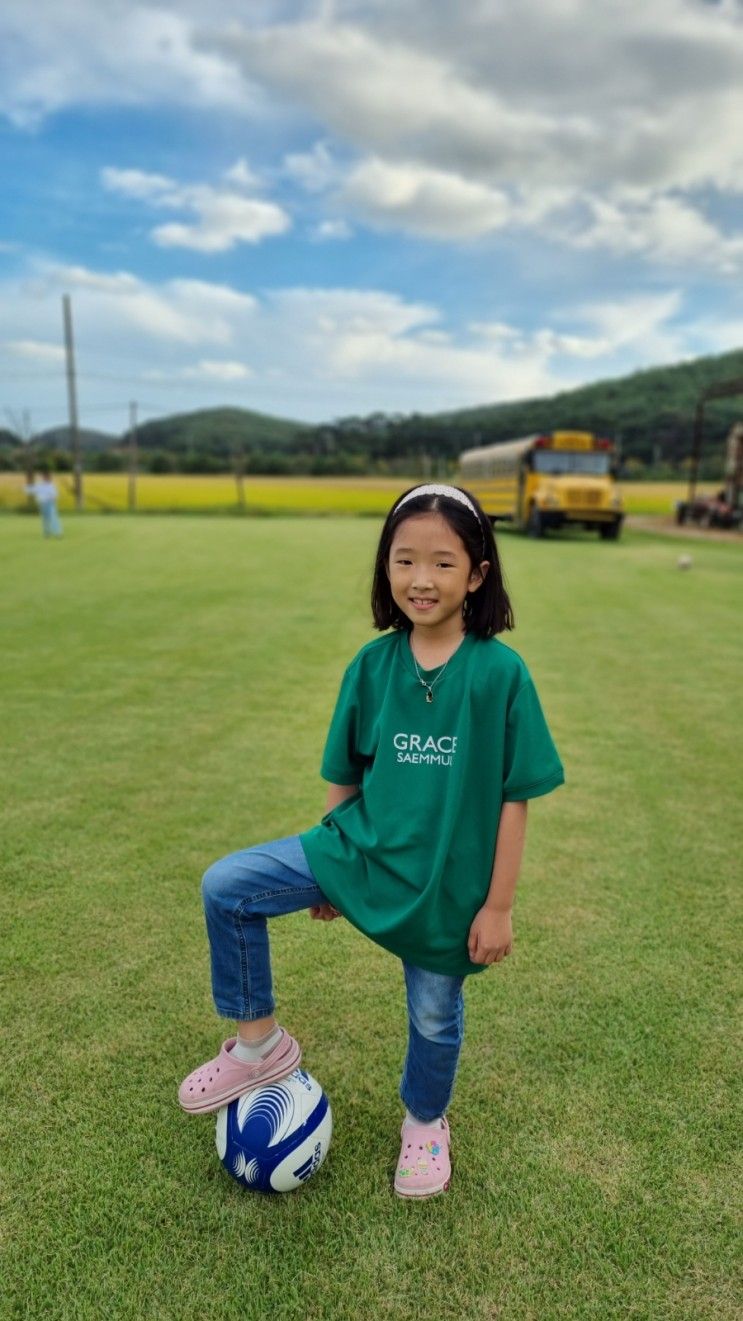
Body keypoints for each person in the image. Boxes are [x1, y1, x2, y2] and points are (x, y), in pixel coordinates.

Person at [179, 483, 564, 1198]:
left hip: (444, 884)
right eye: (405, 559)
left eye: (444, 563)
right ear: (385, 568)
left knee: (433, 1013)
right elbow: (347, 770)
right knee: (229, 886)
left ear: (478, 574)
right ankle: (260, 1046)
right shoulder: (371, 664)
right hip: (355, 853)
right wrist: (329, 868)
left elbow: (517, 796)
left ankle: (424, 1121)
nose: (422, 578)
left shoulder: (499, 674)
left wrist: (499, 906)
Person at [24, 469, 63, 538]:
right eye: (44, 477)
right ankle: (46, 533)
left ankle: (57, 533)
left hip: (50, 503)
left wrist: (53, 498)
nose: (44, 478)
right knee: (45, 519)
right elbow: (32, 489)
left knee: (53, 518)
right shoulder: (40, 485)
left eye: (46, 477)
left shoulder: (51, 486)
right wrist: (25, 488)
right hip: (42, 503)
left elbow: (55, 495)